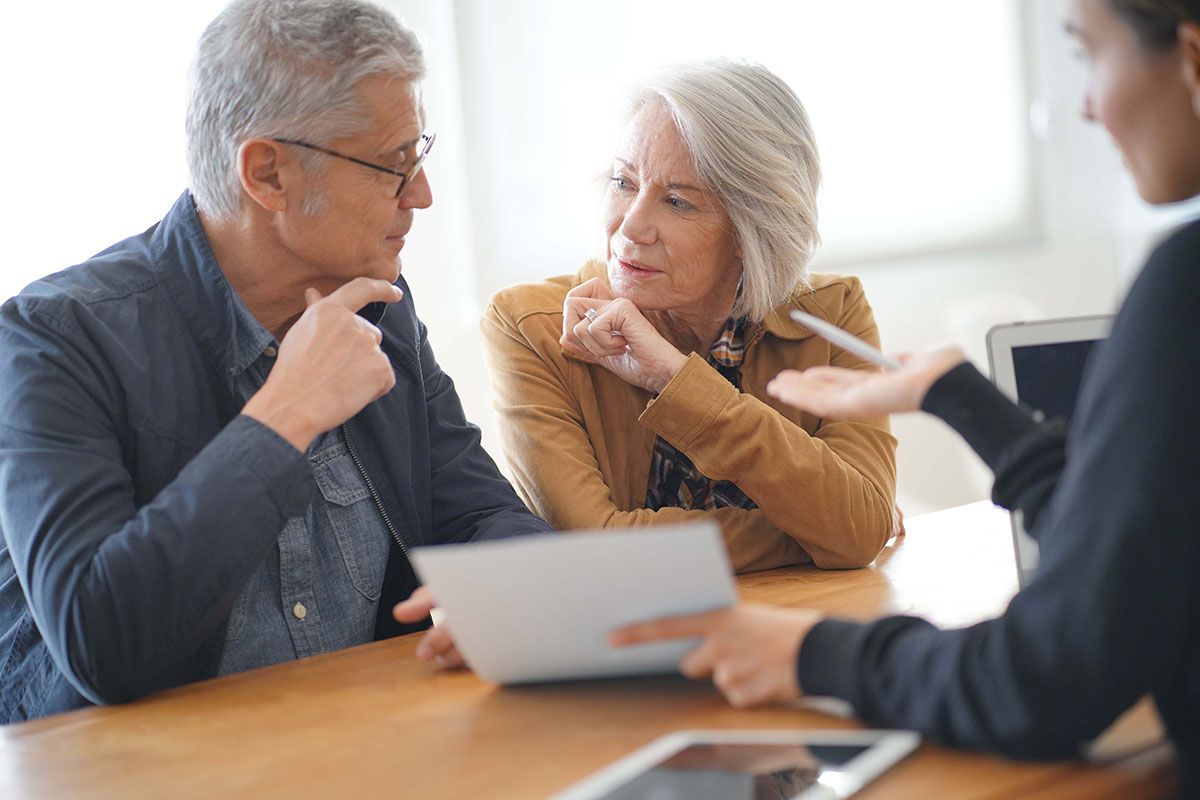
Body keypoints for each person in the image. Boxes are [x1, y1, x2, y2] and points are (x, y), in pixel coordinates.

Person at [609, 0, 1200, 792]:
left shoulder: (1184, 286)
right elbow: (1131, 561)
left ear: (1192, 60)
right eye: (622, 182)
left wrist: (812, 653)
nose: (1086, 105)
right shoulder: (544, 324)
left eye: (1088, 54)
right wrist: (964, 403)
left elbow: (1052, 674)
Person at [0, 0, 551, 722]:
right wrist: (285, 414)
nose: (422, 194)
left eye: (419, 154)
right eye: (394, 165)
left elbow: (483, 514)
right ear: (267, 175)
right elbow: (101, 645)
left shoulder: (377, 305)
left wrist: (502, 596)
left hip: (365, 744)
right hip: (130, 766)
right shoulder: (56, 338)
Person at [481, 61, 898, 574]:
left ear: (754, 228)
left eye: (677, 202)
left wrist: (676, 379)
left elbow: (859, 527)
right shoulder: (529, 326)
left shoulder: (831, 315)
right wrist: (818, 532)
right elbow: (596, 553)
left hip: (796, 617)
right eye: (623, 181)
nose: (630, 228)